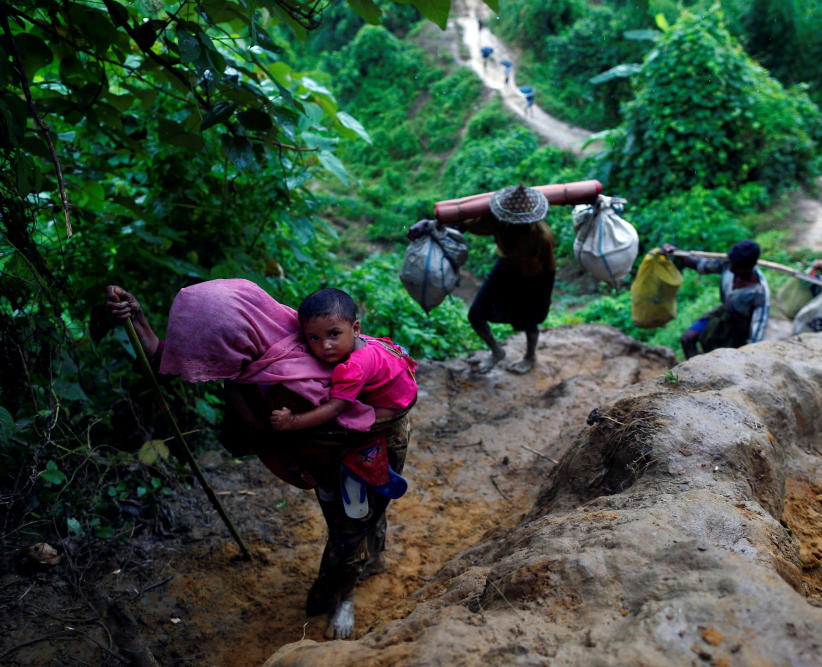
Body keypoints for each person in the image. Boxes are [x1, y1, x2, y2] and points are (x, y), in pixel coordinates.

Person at [105, 280, 412, 640]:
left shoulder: (306, 362)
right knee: (350, 522)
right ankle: (366, 557)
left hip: (366, 450)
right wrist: (138, 319)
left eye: (215, 353)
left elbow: (373, 408)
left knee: (352, 527)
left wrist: (290, 430)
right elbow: (167, 360)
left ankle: (338, 595)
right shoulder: (255, 353)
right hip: (322, 461)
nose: (211, 365)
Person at [408, 184, 556, 375]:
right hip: (504, 268)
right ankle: (496, 351)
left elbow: (549, 267)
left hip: (533, 278)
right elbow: (465, 224)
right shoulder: (498, 222)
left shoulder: (542, 237)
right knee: (476, 314)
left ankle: (530, 356)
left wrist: (542, 295)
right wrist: (431, 225)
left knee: (530, 320)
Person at [270, 288, 417, 433]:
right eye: (314, 338)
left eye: (334, 334)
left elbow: (334, 408)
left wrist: (293, 421)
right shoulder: (359, 340)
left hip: (394, 405)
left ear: (355, 329)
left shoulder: (355, 367)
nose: (325, 346)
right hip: (405, 382)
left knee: (341, 423)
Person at [662, 240, 770, 359]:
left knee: (723, 358)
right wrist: (676, 252)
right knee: (687, 338)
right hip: (722, 312)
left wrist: (747, 354)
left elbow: (756, 334)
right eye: (730, 263)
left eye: (736, 267)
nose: (731, 268)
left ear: (749, 267)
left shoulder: (759, 292)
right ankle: (694, 370)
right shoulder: (728, 263)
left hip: (739, 328)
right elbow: (698, 264)